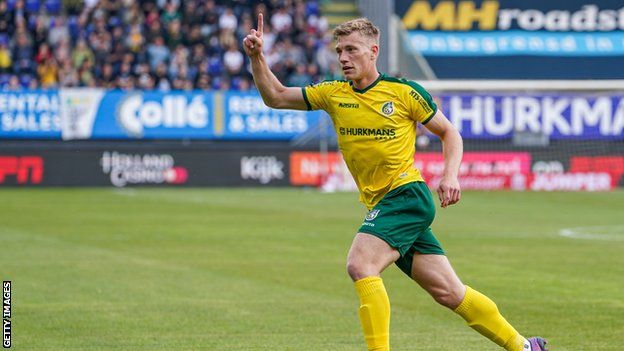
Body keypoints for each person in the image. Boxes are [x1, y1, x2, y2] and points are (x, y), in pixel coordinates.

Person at [243, 14, 548, 351]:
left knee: (361, 264)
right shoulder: (333, 94)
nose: (343, 58)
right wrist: (257, 57)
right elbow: (276, 96)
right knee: (449, 292)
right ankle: (524, 346)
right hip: (386, 204)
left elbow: (450, 132)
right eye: (340, 51)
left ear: (373, 51)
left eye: (352, 50)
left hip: (407, 195)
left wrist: (450, 174)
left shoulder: (404, 92)